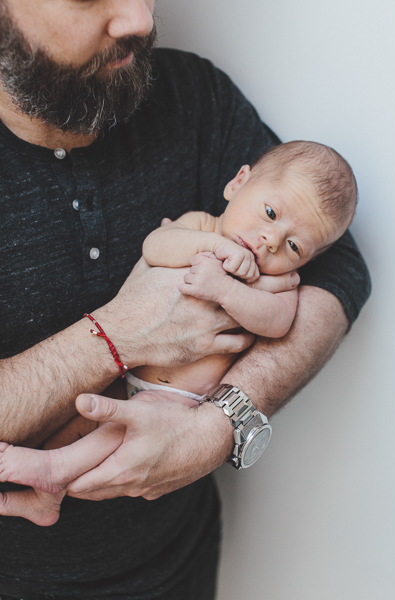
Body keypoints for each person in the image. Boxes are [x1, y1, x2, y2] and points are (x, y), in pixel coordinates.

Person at [0, 1, 371, 599]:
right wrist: (121, 332)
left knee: (97, 422)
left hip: (178, 566)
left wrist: (219, 426)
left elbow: (339, 267)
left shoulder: (193, 95)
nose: (140, 18)